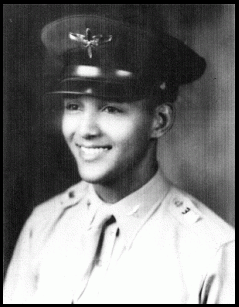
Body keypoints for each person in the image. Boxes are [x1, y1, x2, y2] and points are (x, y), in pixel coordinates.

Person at [3, 14, 235, 304]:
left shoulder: (214, 253)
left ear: (159, 121)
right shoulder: (43, 225)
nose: (86, 130)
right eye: (73, 106)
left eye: (111, 109)